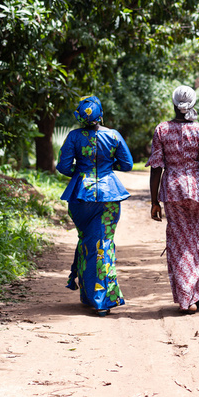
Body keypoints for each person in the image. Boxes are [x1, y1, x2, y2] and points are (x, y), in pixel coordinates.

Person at [146, 85, 199, 314]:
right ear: (192, 104)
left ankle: (188, 296)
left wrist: (154, 201)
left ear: (174, 104)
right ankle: (198, 291)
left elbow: (156, 168)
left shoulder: (162, 130)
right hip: (197, 191)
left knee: (179, 241)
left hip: (172, 191)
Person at [56, 96, 134, 317]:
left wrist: (81, 173)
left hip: (80, 197)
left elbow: (62, 166)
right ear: (101, 115)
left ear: (80, 116)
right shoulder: (114, 135)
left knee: (89, 242)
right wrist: (108, 166)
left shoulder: (73, 137)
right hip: (109, 196)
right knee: (103, 244)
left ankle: (90, 295)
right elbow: (127, 164)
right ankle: (102, 300)